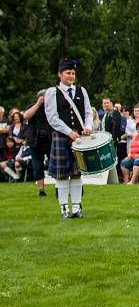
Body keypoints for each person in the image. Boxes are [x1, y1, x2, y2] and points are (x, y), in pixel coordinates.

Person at [44, 58, 93, 219]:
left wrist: (88, 127)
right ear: (60, 74)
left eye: (73, 73)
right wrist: (68, 131)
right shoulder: (52, 92)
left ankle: (77, 208)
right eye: (68, 73)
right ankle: (64, 208)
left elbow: (87, 113)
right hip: (61, 137)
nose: (71, 76)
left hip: (79, 139)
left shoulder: (82, 91)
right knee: (62, 174)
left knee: (77, 173)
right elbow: (52, 117)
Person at [23, 90, 51, 197]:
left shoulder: (52, 107)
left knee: (54, 164)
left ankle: (59, 187)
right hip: (35, 140)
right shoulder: (32, 106)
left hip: (49, 139)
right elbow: (26, 116)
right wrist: (38, 104)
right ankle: (41, 189)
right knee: (37, 165)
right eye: (42, 97)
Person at [100, 97, 127, 170]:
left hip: (111, 140)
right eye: (104, 103)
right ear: (102, 105)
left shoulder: (114, 112)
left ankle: (117, 174)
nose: (106, 104)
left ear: (111, 104)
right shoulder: (104, 115)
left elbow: (116, 126)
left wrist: (114, 139)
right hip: (104, 140)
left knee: (113, 157)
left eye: (107, 103)